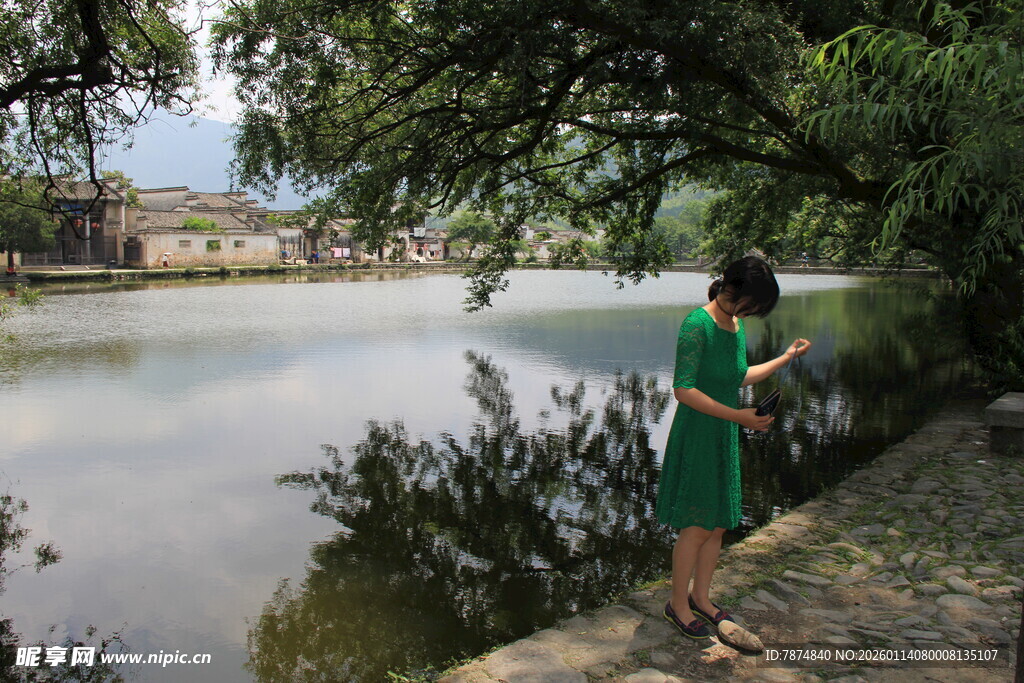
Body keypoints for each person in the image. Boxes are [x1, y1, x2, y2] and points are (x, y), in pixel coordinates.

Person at [657, 256, 811, 640]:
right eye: (756, 303)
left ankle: (701, 598)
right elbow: (683, 389)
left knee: (717, 525)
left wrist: (786, 357)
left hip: (723, 431)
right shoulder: (697, 325)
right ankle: (677, 605)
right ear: (737, 290)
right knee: (696, 525)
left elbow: (737, 376)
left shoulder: (735, 325)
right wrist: (738, 416)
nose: (756, 311)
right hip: (698, 432)